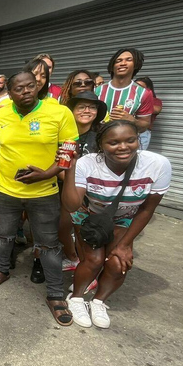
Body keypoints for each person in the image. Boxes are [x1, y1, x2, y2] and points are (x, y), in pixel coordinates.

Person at [0, 70, 79, 326]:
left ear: (38, 86)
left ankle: (56, 294)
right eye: (19, 88)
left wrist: (47, 173)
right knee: (3, 234)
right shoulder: (0, 114)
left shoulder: (59, 113)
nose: (26, 91)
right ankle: (2, 269)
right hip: (6, 191)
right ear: (10, 93)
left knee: (48, 243)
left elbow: (70, 150)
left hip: (44, 192)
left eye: (30, 86)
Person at [63, 120, 171, 328]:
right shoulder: (87, 163)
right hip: (88, 217)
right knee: (94, 260)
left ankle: (99, 301)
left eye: (130, 140)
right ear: (101, 144)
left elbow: (147, 209)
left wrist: (124, 245)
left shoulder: (158, 165)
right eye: (113, 142)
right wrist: (71, 168)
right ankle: (76, 299)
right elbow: (71, 205)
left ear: (138, 140)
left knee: (118, 263)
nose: (123, 147)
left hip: (123, 219)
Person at [57, 91, 108, 276]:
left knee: (86, 234)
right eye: (81, 107)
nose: (87, 111)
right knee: (62, 228)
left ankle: (90, 269)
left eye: (92, 107)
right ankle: (73, 258)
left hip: (95, 194)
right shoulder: (62, 132)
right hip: (68, 190)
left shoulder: (102, 135)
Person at [95, 48, 154, 134]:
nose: (122, 63)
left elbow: (145, 125)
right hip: (97, 142)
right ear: (112, 66)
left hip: (124, 144)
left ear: (136, 65)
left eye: (128, 60)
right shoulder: (97, 90)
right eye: (118, 61)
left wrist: (131, 120)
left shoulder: (144, 93)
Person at [135, 76, 162, 151]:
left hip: (142, 133)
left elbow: (157, 110)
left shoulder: (155, 101)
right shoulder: (131, 98)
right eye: (135, 86)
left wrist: (141, 103)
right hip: (128, 130)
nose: (137, 88)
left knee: (139, 156)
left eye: (140, 87)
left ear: (148, 89)